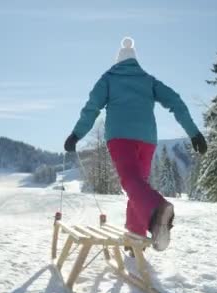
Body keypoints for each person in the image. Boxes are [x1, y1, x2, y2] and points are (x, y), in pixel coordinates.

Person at [64, 37, 207, 252]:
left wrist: (76, 134)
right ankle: (136, 238)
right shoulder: (147, 80)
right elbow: (175, 101)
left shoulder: (109, 79)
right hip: (147, 140)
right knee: (137, 185)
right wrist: (194, 133)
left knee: (130, 182)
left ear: (117, 61)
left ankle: (156, 210)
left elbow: (92, 108)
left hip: (120, 138)